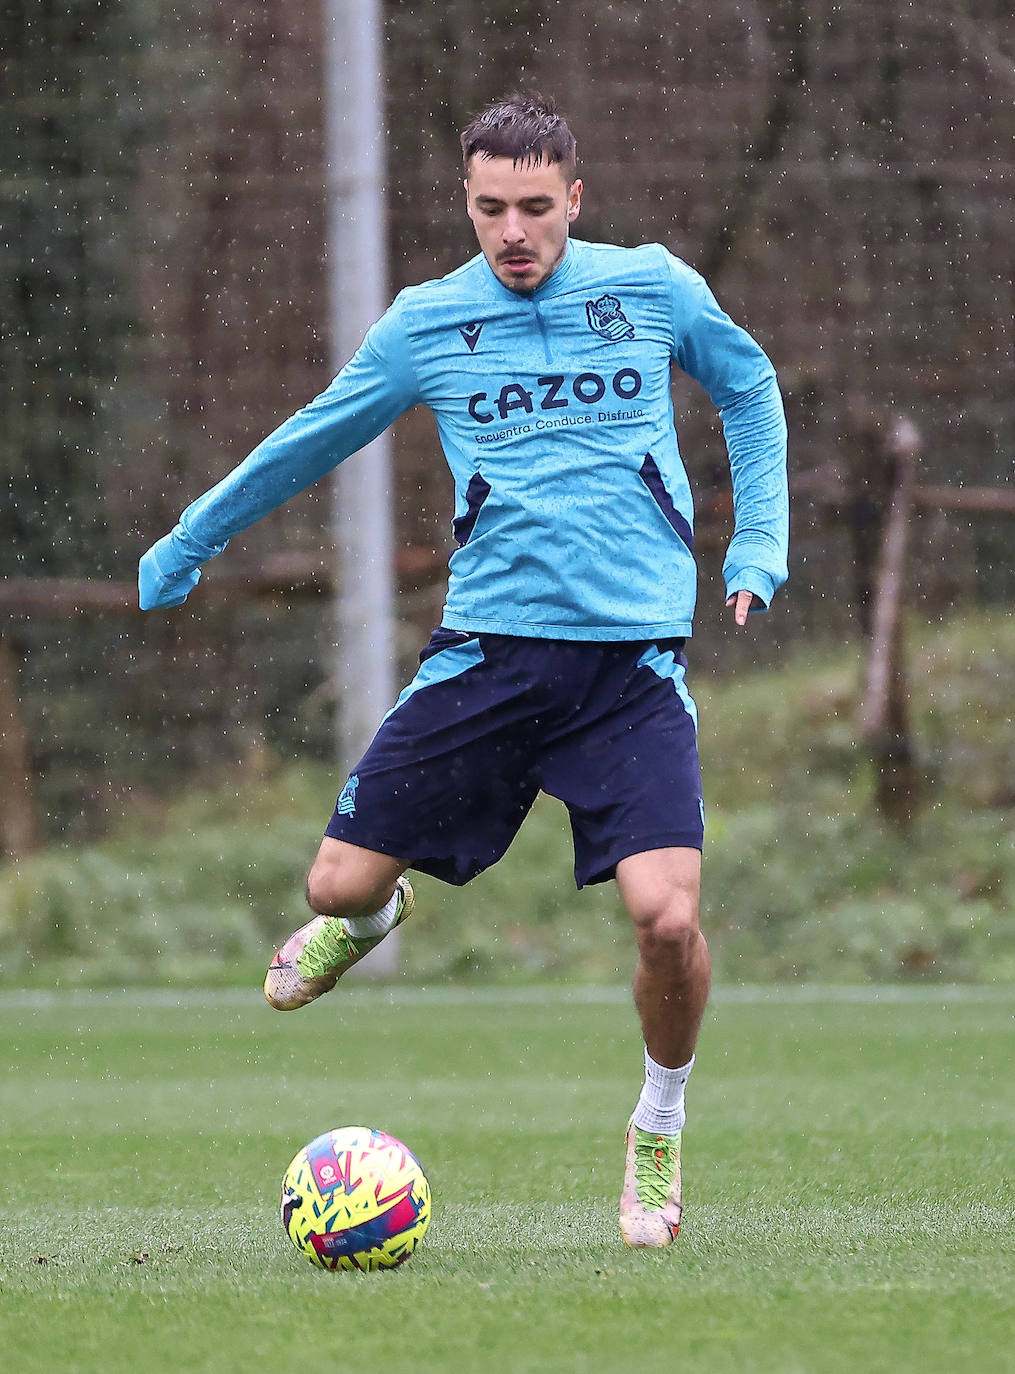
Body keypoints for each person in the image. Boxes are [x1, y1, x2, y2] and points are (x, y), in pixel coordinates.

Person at [139, 92, 789, 1249]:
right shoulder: (429, 324)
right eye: (491, 208)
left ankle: (657, 1120)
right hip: (486, 658)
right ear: (468, 202)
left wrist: (759, 542)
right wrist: (193, 535)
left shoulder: (648, 288)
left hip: (628, 668)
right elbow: (315, 434)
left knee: (667, 919)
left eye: (536, 208)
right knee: (330, 889)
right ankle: (377, 911)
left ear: (574, 199)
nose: (513, 233)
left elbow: (746, 384)